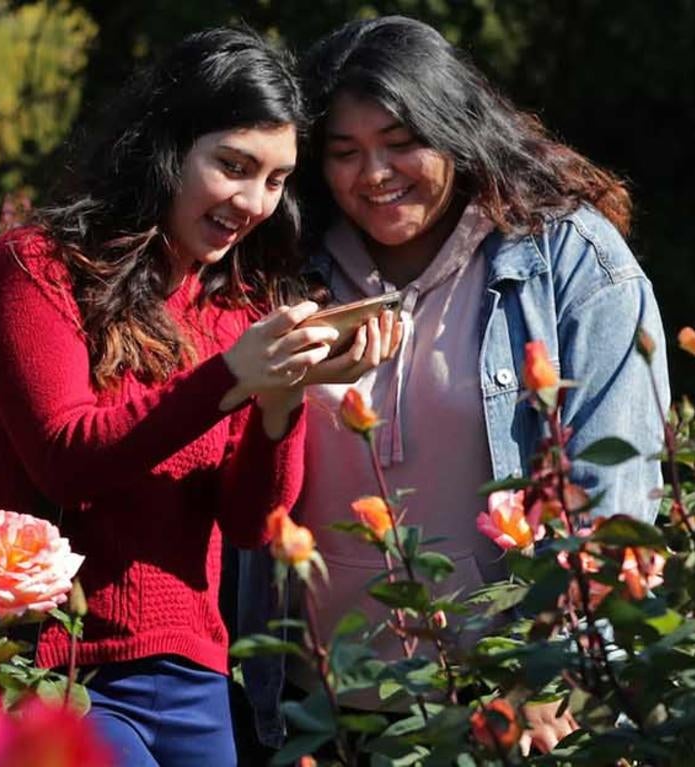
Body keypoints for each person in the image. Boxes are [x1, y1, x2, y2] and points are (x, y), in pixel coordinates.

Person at [237, 14, 670, 756]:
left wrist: (543, 675)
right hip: (320, 706)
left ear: (455, 130)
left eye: (402, 144)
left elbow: (613, 485)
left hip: (504, 706)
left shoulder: (568, 259)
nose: (373, 174)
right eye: (343, 153)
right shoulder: (280, 263)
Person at [0, 27, 348, 767]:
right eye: (232, 166)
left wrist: (280, 398)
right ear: (168, 145)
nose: (254, 202)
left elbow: (247, 523)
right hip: (62, 667)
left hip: (193, 675)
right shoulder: (35, 269)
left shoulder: (233, 309)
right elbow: (65, 459)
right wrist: (228, 375)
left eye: (275, 179)